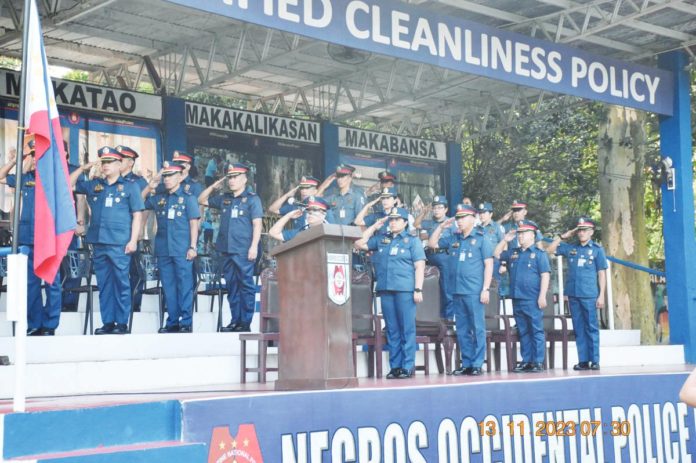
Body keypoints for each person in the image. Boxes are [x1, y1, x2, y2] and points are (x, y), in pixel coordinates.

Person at [70, 147, 144, 335]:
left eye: (109, 162)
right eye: (103, 162)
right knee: (104, 284)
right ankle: (108, 322)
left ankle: (121, 322)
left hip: (120, 243)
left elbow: (137, 215)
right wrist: (83, 168)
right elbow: (68, 185)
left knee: (121, 283)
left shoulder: (130, 186)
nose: (105, 166)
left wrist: (133, 240)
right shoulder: (95, 185)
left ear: (120, 164)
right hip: (99, 242)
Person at [0, 137, 63, 335]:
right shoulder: (26, 177)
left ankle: (50, 325)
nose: (37, 159)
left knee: (52, 283)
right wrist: (16, 160)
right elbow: (1, 177)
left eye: (40, 155)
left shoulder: (55, 179)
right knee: (31, 284)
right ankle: (35, 323)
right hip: (28, 237)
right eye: (34, 155)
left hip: (49, 239)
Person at [354, 207, 425, 379]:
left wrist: (418, 289)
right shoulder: (382, 239)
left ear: (405, 222)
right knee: (392, 330)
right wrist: (375, 226)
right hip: (386, 289)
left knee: (406, 329)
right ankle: (395, 367)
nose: (393, 222)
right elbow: (359, 242)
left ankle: (407, 366)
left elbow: (419, 266)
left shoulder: (412, 241)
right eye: (391, 220)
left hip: (405, 290)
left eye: (396, 219)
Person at [428, 204, 493, 375]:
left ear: (473, 218)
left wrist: (485, 288)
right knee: (462, 329)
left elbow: (489, 265)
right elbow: (432, 243)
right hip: (456, 290)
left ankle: (477, 363)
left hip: (474, 291)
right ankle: (467, 363)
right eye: (458, 218)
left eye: (463, 217)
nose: (460, 221)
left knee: (477, 328)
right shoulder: (454, 239)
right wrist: (441, 227)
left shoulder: (481, 238)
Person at [199, 163, 263, 333]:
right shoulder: (225, 198)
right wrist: (214, 185)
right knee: (232, 286)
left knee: (246, 286)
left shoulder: (252, 199)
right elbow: (201, 200)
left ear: (244, 179)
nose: (232, 180)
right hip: (226, 249)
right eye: (230, 177)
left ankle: (245, 322)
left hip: (243, 250)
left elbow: (257, 225)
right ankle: (235, 320)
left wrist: (254, 247)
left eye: (235, 177)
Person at [142, 165, 199, 333]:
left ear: (180, 177)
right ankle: (172, 321)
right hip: (164, 250)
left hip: (182, 249)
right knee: (169, 287)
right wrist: (151, 185)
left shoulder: (188, 198)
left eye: (171, 175)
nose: (166, 179)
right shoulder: (159, 198)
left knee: (185, 285)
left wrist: (193, 247)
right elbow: (139, 201)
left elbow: (193, 224)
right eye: (165, 176)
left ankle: (186, 321)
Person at [547, 217, 607, 370]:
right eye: (579, 230)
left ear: (591, 232)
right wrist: (562, 237)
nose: (581, 233)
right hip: (573, 294)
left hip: (589, 295)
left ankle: (594, 360)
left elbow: (601, 273)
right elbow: (550, 250)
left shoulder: (597, 250)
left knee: (591, 328)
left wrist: (601, 295)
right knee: (579, 328)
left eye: (585, 230)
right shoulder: (571, 248)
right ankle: (583, 360)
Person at [494, 220, 550, 373]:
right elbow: (496, 253)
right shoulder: (514, 253)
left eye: (524, 233)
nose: (520, 236)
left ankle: (537, 361)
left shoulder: (539, 254)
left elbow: (545, 275)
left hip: (532, 298)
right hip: (517, 297)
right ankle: (527, 361)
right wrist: (505, 240)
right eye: (519, 233)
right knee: (523, 331)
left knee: (536, 330)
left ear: (532, 235)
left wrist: (542, 296)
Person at [115, 145, 148, 314]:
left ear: (130, 163)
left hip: (132, 233)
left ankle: (135, 302)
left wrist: (141, 229)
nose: (117, 162)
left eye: (120, 159)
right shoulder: (111, 180)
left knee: (134, 269)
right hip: (115, 234)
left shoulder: (139, 182)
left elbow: (145, 208)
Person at [416, 195, 456, 320]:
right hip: (430, 256)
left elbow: (455, 241)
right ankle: (433, 317)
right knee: (430, 288)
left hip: (444, 256)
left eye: (440, 208)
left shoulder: (451, 223)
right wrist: (424, 212)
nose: (437, 210)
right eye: (435, 208)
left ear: (446, 209)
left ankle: (448, 319)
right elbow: (416, 224)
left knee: (446, 289)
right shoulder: (430, 222)